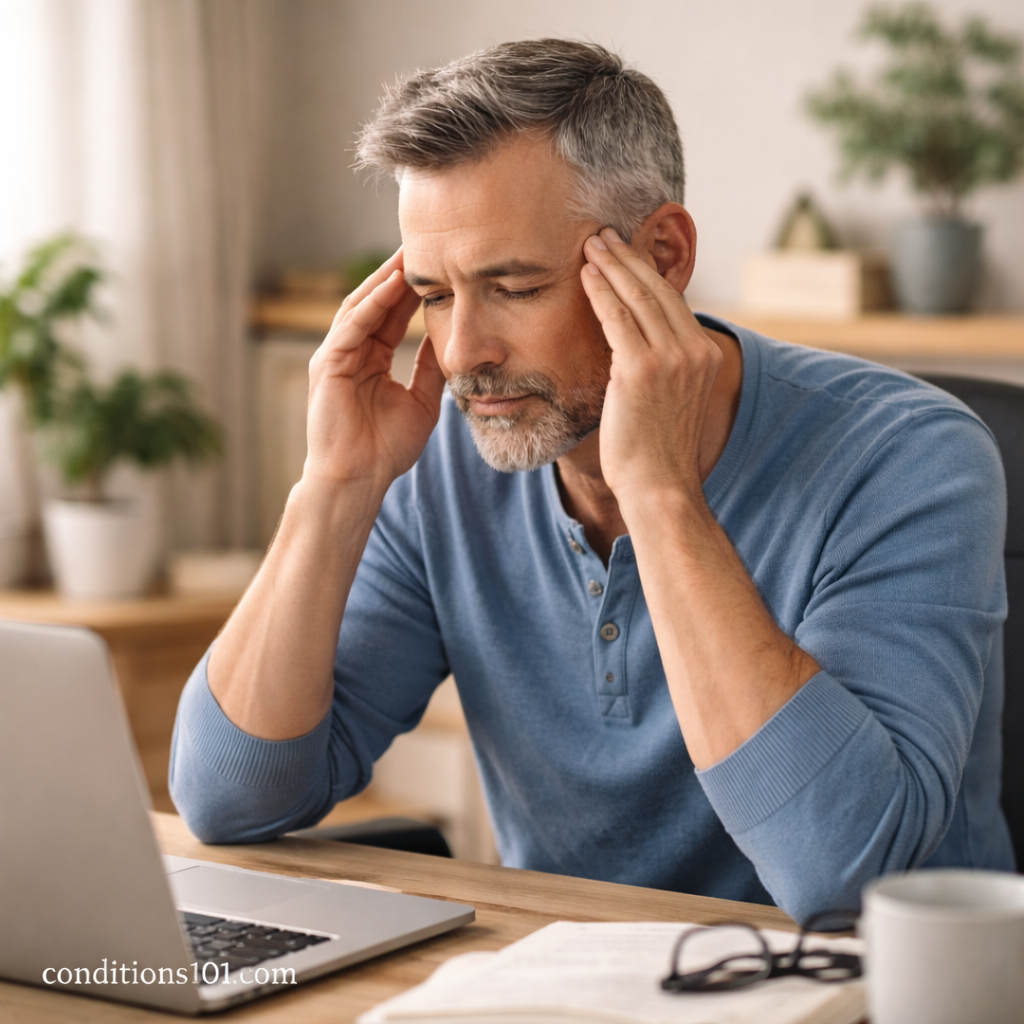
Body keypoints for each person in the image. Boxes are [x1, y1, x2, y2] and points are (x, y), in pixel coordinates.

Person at [170, 39, 1015, 923]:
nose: (461, 355)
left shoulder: (909, 456)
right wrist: (335, 487)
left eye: (515, 286)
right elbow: (233, 801)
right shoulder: (440, 464)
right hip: (559, 987)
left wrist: (659, 495)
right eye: (436, 293)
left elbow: (846, 876)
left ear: (663, 255)